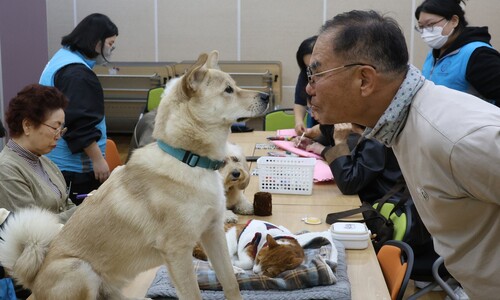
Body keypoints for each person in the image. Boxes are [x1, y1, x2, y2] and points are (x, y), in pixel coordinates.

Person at [305, 10, 500, 299]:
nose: (309, 88)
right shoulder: (400, 124)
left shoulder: (458, 137)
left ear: (364, 80)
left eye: (316, 74)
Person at [39, 13, 119, 204]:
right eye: (110, 43)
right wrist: (98, 159)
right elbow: (78, 122)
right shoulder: (77, 74)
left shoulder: (62, 58)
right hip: (74, 170)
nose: (111, 49)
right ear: (95, 42)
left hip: (56, 161)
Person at [0, 84, 76, 223]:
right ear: (27, 126)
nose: (58, 136)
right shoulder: (6, 169)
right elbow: (32, 228)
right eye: (55, 127)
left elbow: (66, 203)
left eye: (61, 129)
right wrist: (85, 210)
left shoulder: (46, 162)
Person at [415, 0, 500, 106]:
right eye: (421, 27)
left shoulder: (478, 55)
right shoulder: (433, 54)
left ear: (454, 21)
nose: (425, 32)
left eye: (430, 24)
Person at [297, 123, 403, 205]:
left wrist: (340, 142)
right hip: (369, 203)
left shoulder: (374, 140)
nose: (312, 114)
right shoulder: (340, 128)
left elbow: (348, 183)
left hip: (379, 210)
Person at [294, 35, 318, 135]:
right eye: (308, 68)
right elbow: (300, 101)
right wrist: (299, 122)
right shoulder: (306, 73)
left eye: (315, 68)